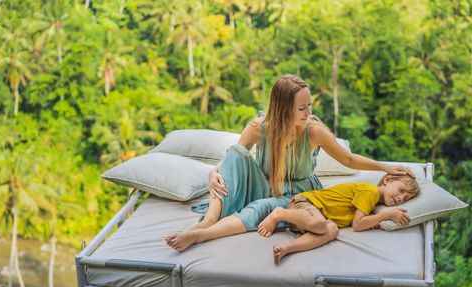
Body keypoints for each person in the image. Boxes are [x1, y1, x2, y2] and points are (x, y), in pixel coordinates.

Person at [165, 74, 415, 252]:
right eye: (301, 108)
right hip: (262, 182)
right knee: (236, 154)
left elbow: (348, 159)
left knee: (261, 208)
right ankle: (208, 221)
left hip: (298, 193)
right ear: (283, 108)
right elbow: (231, 160)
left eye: (309, 105)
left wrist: (385, 167)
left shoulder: (314, 131)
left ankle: (200, 235)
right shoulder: (260, 128)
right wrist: (214, 172)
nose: (308, 113)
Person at [256, 174, 420, 264]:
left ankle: (287, 248)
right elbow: (358, 225)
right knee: (321, 225)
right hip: (305, 204)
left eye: (405, 198)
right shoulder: (371, 191)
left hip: (306, 223)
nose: (401, 198)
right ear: (388, 180)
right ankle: (279, 213)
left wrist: (376, 220)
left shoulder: (372, 206)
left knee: (332, 230)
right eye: (401, 190)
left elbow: (361, 222)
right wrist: (387, 215)